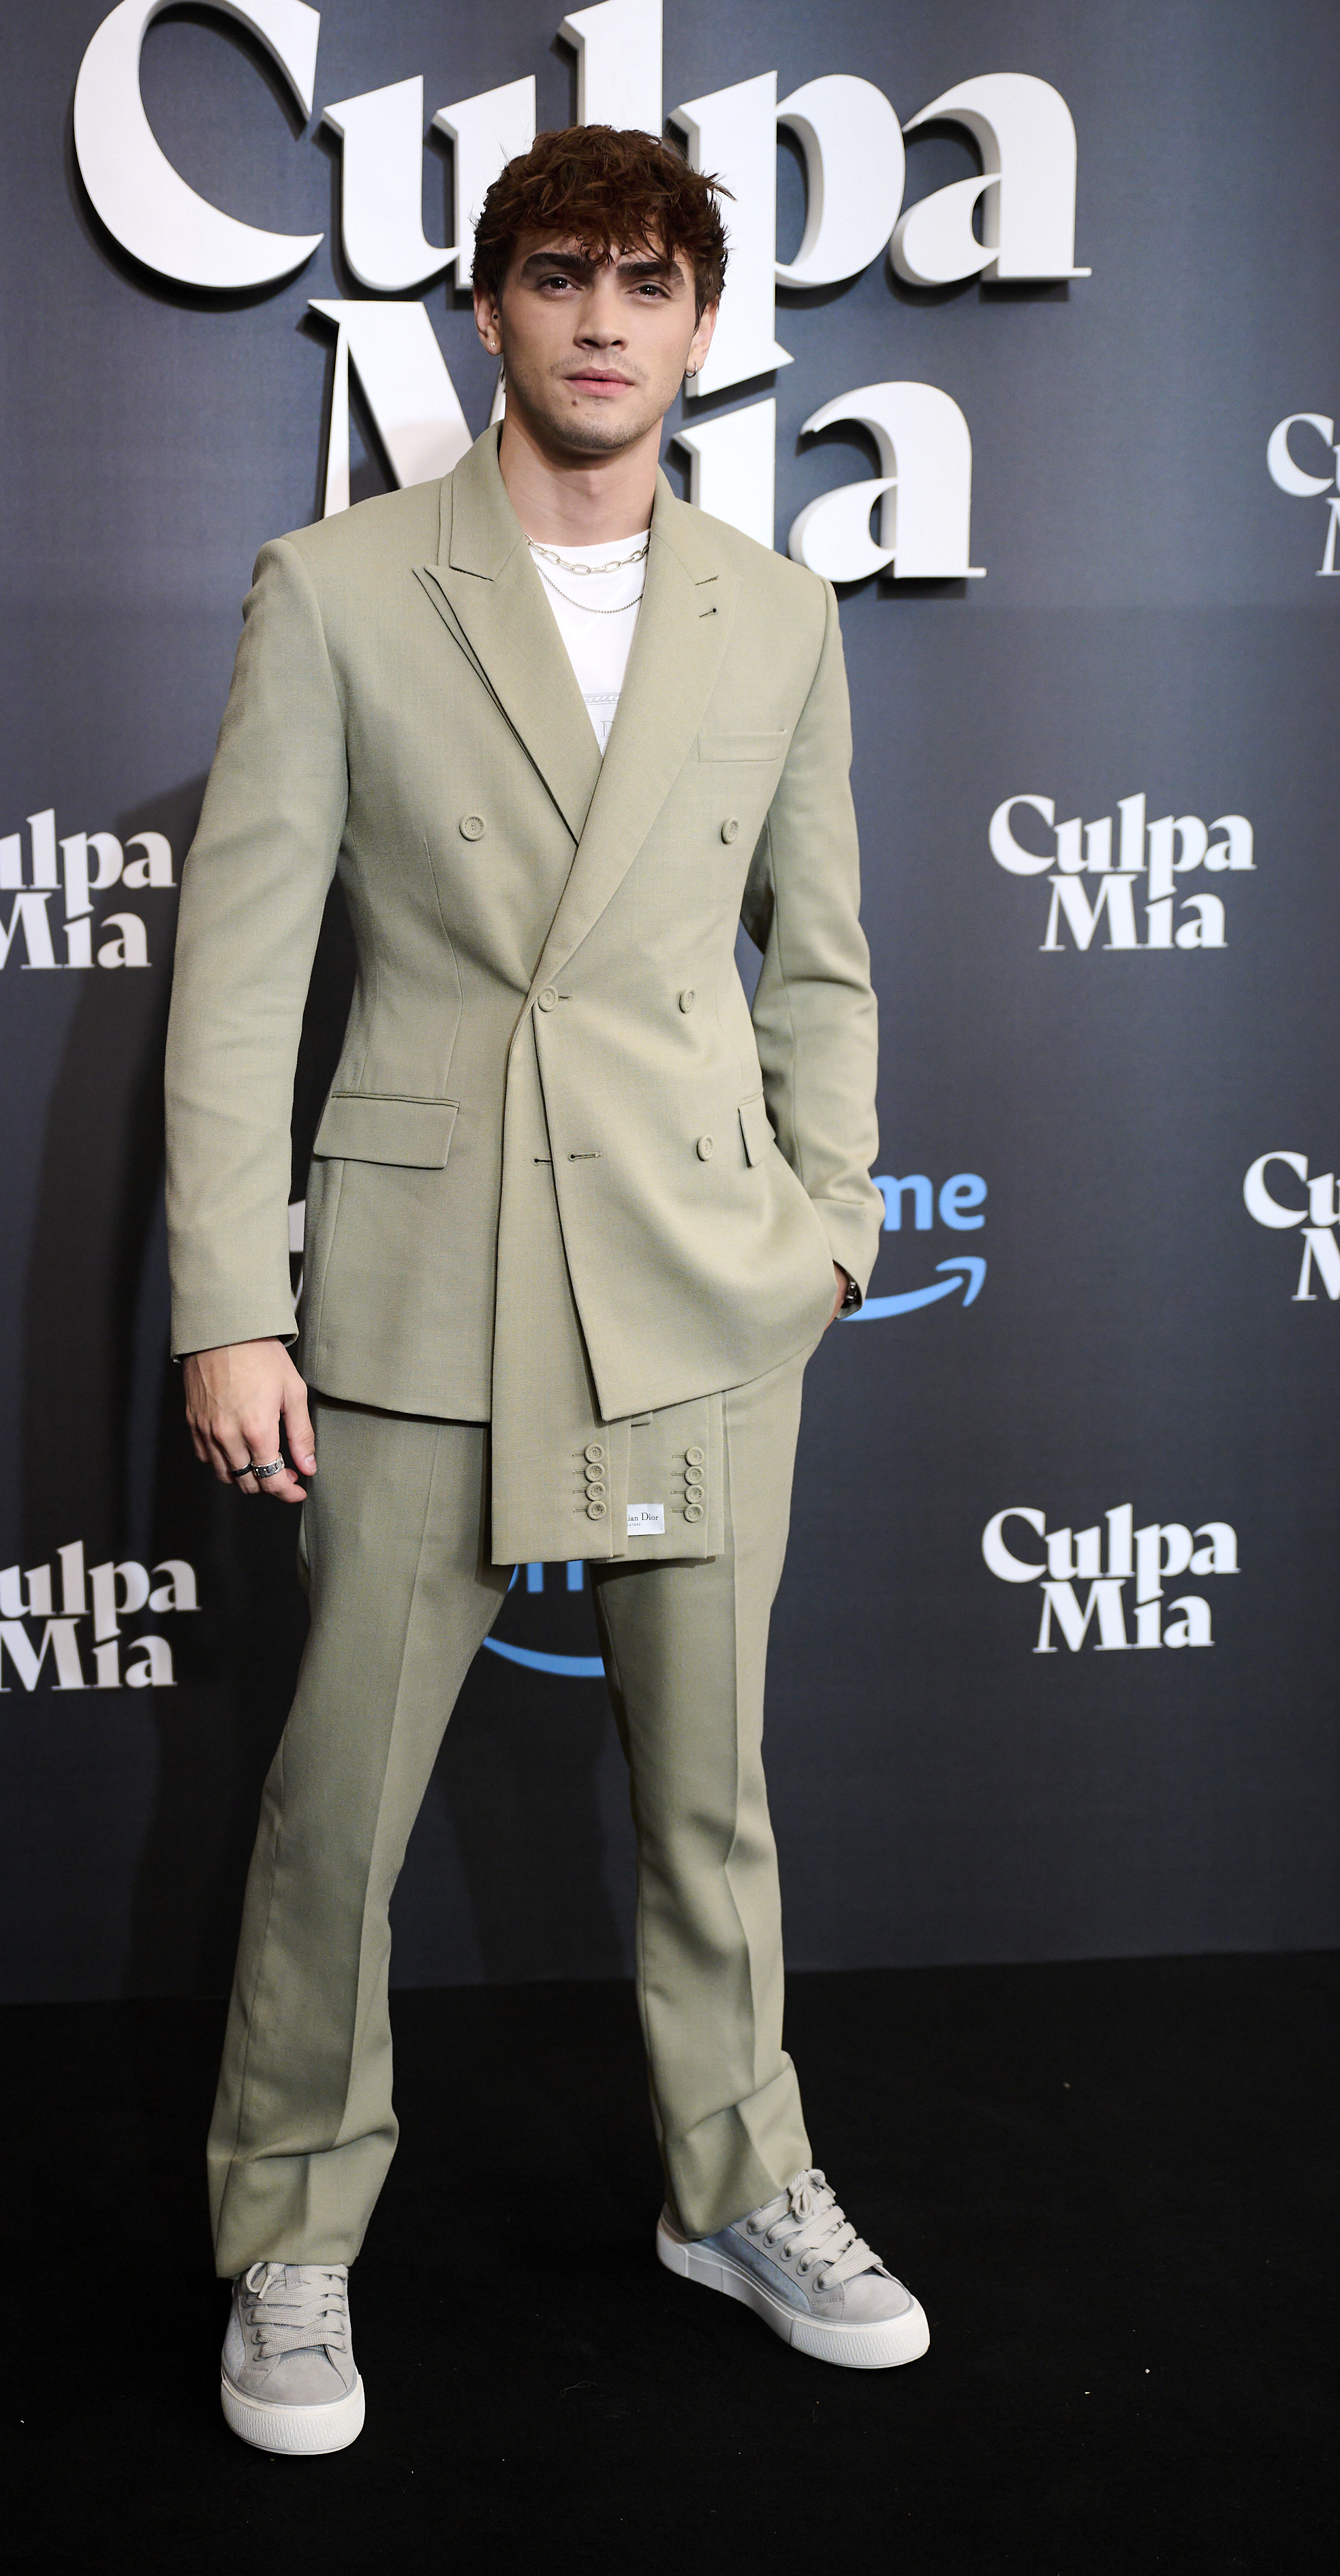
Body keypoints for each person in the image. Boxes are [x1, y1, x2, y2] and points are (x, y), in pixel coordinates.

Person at [164, 125, 926, 2457]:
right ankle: (291, 2232)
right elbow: (239, 974)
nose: (605, 315)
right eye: (562, 273)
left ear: (703, 327)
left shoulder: (773, 612)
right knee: (334, 1812)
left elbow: (823, 960)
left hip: (702, 1276)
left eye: (651, 278)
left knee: (709, 1803)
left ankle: (740, 2180)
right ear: (486, 310)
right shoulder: (334, 585)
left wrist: (830, 1224)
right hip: (412, 1276)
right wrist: (228, 1298)